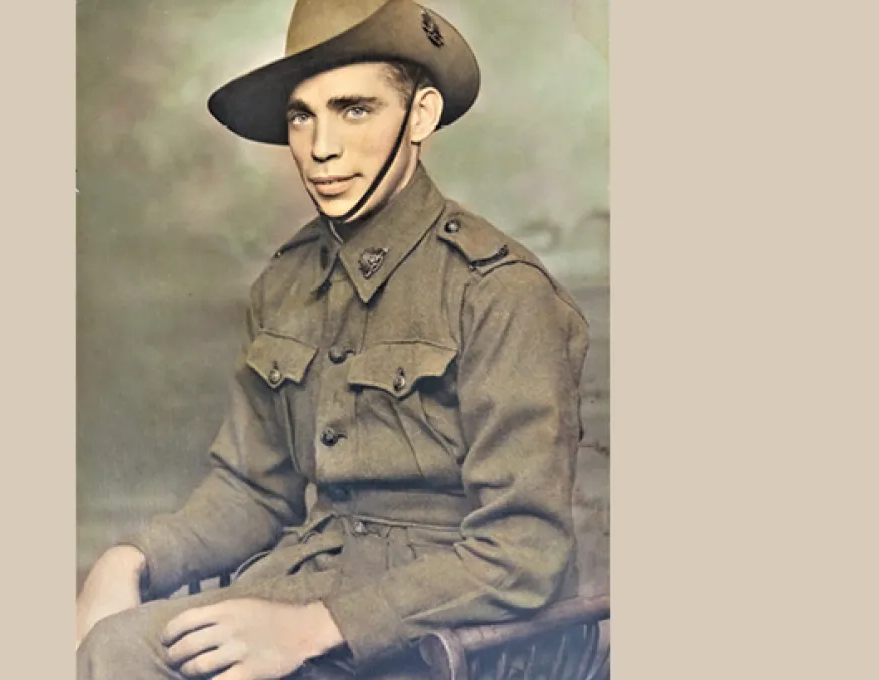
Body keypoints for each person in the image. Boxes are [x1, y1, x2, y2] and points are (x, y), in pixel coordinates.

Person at [76, 0, 590, 678]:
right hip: (307, 578)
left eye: (354, 109)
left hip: (449, 631)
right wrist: (133, 557)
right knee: (114, 646)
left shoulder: (498, 290)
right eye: (301, 115)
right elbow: (254, 490)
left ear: (422, 116)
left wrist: (317, 627)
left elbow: (523, 546)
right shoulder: (286, 283)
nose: (321, 147)